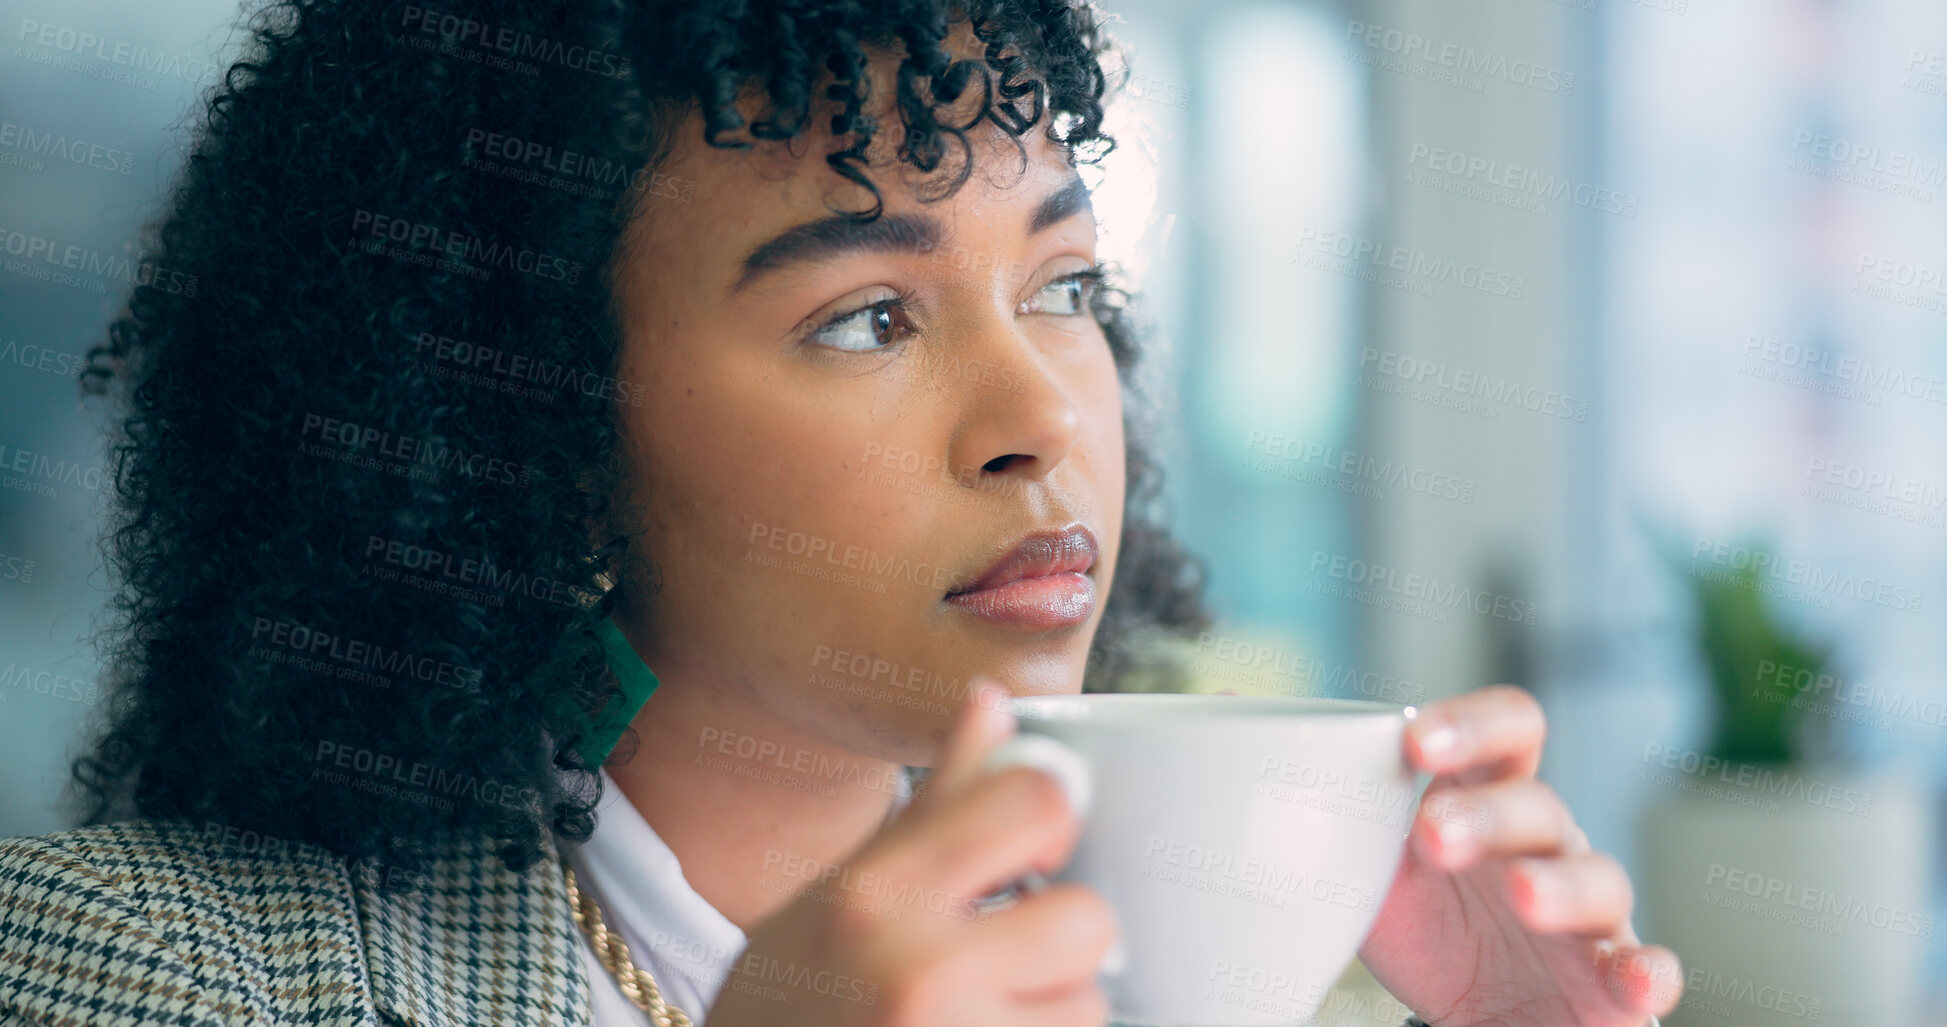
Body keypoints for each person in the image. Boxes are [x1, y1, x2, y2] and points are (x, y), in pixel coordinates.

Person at [0, 1, 1681, 1025]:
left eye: (1067, 286)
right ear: (535, 434)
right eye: (868, 317)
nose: (1044, 420)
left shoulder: (1203, 950)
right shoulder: (146, 969)